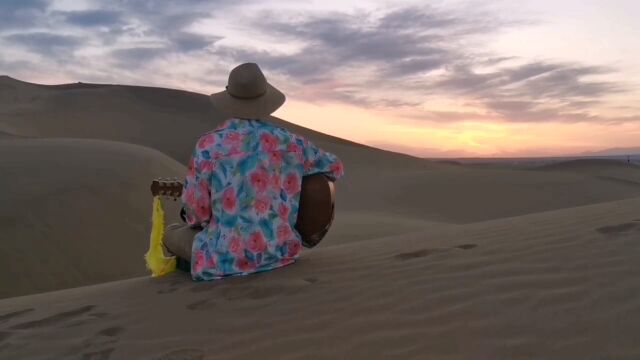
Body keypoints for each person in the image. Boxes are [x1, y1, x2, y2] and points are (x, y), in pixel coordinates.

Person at [162, 63, 344, 281]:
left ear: (229, 99)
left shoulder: (209, 145)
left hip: (222, 259)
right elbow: (335, 168)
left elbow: (196, 215)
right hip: (282, 252)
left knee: (170, 234)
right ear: (265, 99)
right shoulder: (291, 142)